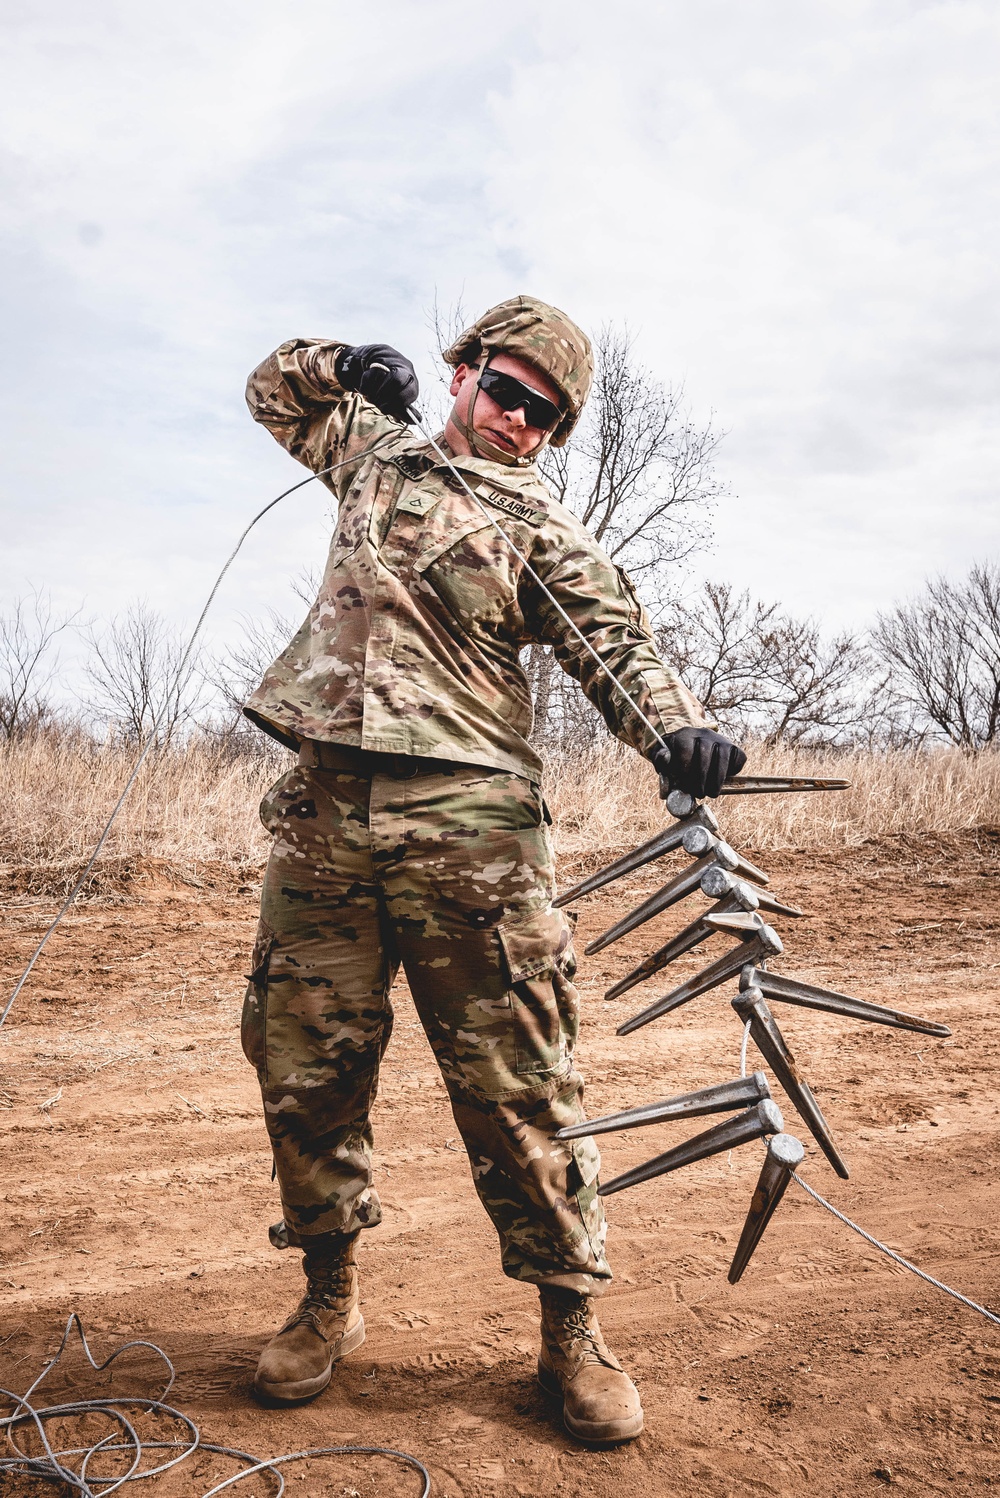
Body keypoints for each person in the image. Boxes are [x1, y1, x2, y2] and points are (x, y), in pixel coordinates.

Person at [239, 295, 746, 1445]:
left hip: (473, 826)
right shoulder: (371, 446)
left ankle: (571, 1330)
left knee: (520, 1080)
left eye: (545, 415)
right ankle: (328, 1298)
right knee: (304, 1065)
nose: (519, 420)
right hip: (322, 814)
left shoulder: (543, 532)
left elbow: (618, 648)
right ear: (463, 369)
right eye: (507, 390)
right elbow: (275, 390)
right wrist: (339, 360)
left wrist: (679, 733)